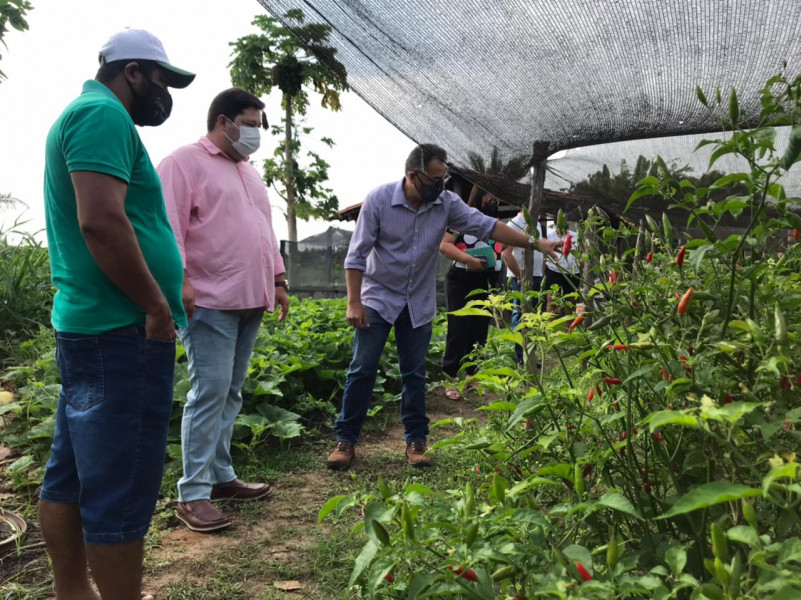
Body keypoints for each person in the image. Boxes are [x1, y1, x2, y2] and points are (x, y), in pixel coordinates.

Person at [39, 28, 194, 600]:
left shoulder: (85, 114)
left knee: (73, 475)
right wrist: (156, 305)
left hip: (92, 326)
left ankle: (74, 592)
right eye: (162, 78)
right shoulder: (104, 117)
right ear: (132, 71)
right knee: (120, 485)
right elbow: (101, 222)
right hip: (118, 329)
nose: (165, 91)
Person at [326, 144, 560, 470]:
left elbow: (488, 227)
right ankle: (345, 440)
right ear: (413, 176)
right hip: (377, 298)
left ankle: (416, 441)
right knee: (362, 369)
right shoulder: (379, 200)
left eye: (444, 178)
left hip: (417, 302)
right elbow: (356, 254)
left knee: (414, 373)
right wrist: (354, 302)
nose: (441, 185)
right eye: (435, 179)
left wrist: (538, 243)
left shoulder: (445, 203)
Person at [157, 88, 289, 533]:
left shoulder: (248, 172)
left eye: (258, 125)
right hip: (208, 300)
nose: (256, 133)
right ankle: (192, 494)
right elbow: (166, 227)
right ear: (223, 122)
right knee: (209, 392)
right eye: (250, 124)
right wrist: (180, 281)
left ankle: (220, 476)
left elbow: (264, 232)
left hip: (251, 296)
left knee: (230, 392)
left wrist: (278, 279)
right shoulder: (183, 163)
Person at [440, 187, 503, 399]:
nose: (492, 199)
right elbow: (445, 246)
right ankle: (449, 379)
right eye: (488, 195)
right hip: (460, 279)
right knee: (459, 329)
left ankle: (472, 377)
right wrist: (468, 259)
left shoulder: (494, 223)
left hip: (483, 279)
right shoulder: (462, 220)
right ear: (478, 197)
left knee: (479, 330)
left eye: (494, 197)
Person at [502, 212, 547, 364]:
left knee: (533, 314)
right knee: (521, 313)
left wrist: (541, 271)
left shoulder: (537, 223)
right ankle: (521, 356)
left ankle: (531, 355)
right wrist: (519, 275)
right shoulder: (514, 224)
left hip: (536, 275)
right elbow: (506, 253)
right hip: (521, 277)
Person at [543, 220, 580, 313]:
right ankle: (551, 326)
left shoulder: (575, 236)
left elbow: (581, 255)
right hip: (553, 271)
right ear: (556, 224)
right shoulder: (548, 235)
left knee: (573, 302)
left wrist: (582, 271)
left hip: (573, 273)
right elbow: (544, 254)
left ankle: (571, 327)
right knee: (552, 302)